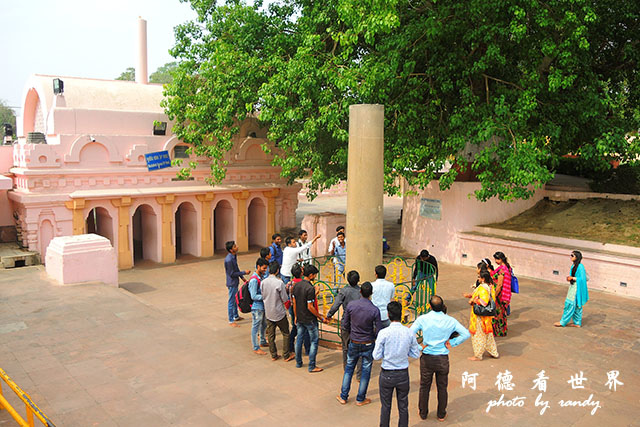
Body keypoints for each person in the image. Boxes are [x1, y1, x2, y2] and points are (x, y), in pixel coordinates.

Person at [410, 295, 470, 421]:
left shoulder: (423, 319)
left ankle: (423, 413)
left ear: (430, 306)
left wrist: (420, 347)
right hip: (442, 357)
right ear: (442, 306)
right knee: (442, 387)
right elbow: (466, 333)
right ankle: (441, 414)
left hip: (427, 357)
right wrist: (452, 343)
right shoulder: (450, 320)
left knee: (424, 386)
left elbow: (409, 334)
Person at [373, 301, 422, 427]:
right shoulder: (409, 332)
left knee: (385, 406)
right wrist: (404, 352)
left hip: (387, 373)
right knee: (403, 406)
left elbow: (376, 355)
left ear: (388, 315)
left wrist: (387, 353)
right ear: (401, 315)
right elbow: (416, 354)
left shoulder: (383, 333)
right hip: (402, 373)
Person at [336, 282, 382, 406]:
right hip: (368, 343)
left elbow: (345, 324)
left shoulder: (351, 306)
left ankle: (343, 396)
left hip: (354, 341)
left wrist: (352, 333)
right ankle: (360, 398)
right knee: (365, 371)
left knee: (349, 369)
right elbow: (378, 330)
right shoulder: (374, 310)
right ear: (371, 294)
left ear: (360, 292)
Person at [292, 264, 328, 372]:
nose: (315, 276)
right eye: (315, 275)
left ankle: (298, 362)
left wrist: (296, 316)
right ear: (311, 275)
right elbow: (310, 307)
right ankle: (312, 365)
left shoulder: (296, 286)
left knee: (299, 339)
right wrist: (320, 317)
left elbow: (294, 302)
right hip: (309, 319)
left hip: (300, 317)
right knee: (314, 341)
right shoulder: (309, 288)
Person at [327, 270, 362, 373]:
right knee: (359, 349)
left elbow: (335, 305)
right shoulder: (361, 292)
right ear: (358, 280)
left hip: (346, 322)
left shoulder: (344, 291)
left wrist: (329, 315)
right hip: (358, 323)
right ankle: (359, 373)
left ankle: (347, 369)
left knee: (345, 347)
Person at [261, 262, 294, 362]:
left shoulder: (263, 282)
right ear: (277, 271)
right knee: (285, 333)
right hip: (279, 312)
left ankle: (274, 354)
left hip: (269, 311)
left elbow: (263, 295)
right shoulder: (279, 283)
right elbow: (284, 298)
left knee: (271, 335)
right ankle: (286, 354)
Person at [463, 270, 499, 361]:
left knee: (478, 335)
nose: (478, 278)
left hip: (480, 316)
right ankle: (493, 352)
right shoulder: (489, 286)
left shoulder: (483, 288)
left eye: (479, 277)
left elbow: (484, 302)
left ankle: (478, 355)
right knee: (488, 335)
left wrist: (474, 301)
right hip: (486, 316)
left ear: (483, 279)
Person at [555, 250, 589, 328]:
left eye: (572, 255)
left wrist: (573, 278)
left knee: (570, 304)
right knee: (577, 306)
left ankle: (563, 322)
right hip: (573, 286)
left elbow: (583, 278)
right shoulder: (574, 266)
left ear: (576, 257)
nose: (570, 257)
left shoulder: (580, 267)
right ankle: (577, 323)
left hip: (577, 288)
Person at [223, 241, 250, 328]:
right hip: (232, 282)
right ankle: (231, 320)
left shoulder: (234, 256)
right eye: (235, 246)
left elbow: (236, 268)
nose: (237, 247)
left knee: (235, 299)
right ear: (231, 250)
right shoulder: (229, 260)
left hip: (235, 281)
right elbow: (232, 273)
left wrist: (242, 277)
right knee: (231, 301)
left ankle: (236, 315)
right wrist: (244, 272)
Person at [287, 264, 311, 355]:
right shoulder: (304, 284)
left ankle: (290, 345)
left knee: (295, 326)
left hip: (293, 308)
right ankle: (307, 349)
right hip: (303, 308)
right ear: (301, 273)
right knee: (305, 329)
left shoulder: (290, 284)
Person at [248, 258, 269, 355]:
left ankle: (263, 341)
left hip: (262, 306)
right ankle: (255, 347)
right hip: (257, 307)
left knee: (264, 324)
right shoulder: (254, 280)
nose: (265, 270)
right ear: (258, 267)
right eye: (264, 268)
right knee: (255, 327)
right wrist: (265, 296)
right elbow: (253, 296)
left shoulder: (261, 277)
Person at [491, 251, 511, 337]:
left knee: (498, 314)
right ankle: (502, 331)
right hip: (503, 295)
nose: (495, 261)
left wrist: (494, 295)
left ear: (501, 259)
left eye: (496, 259)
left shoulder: (502, 270)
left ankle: (498, 332)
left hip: (500, 295)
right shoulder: (506, 267)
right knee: (502, 314)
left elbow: (499, 285)